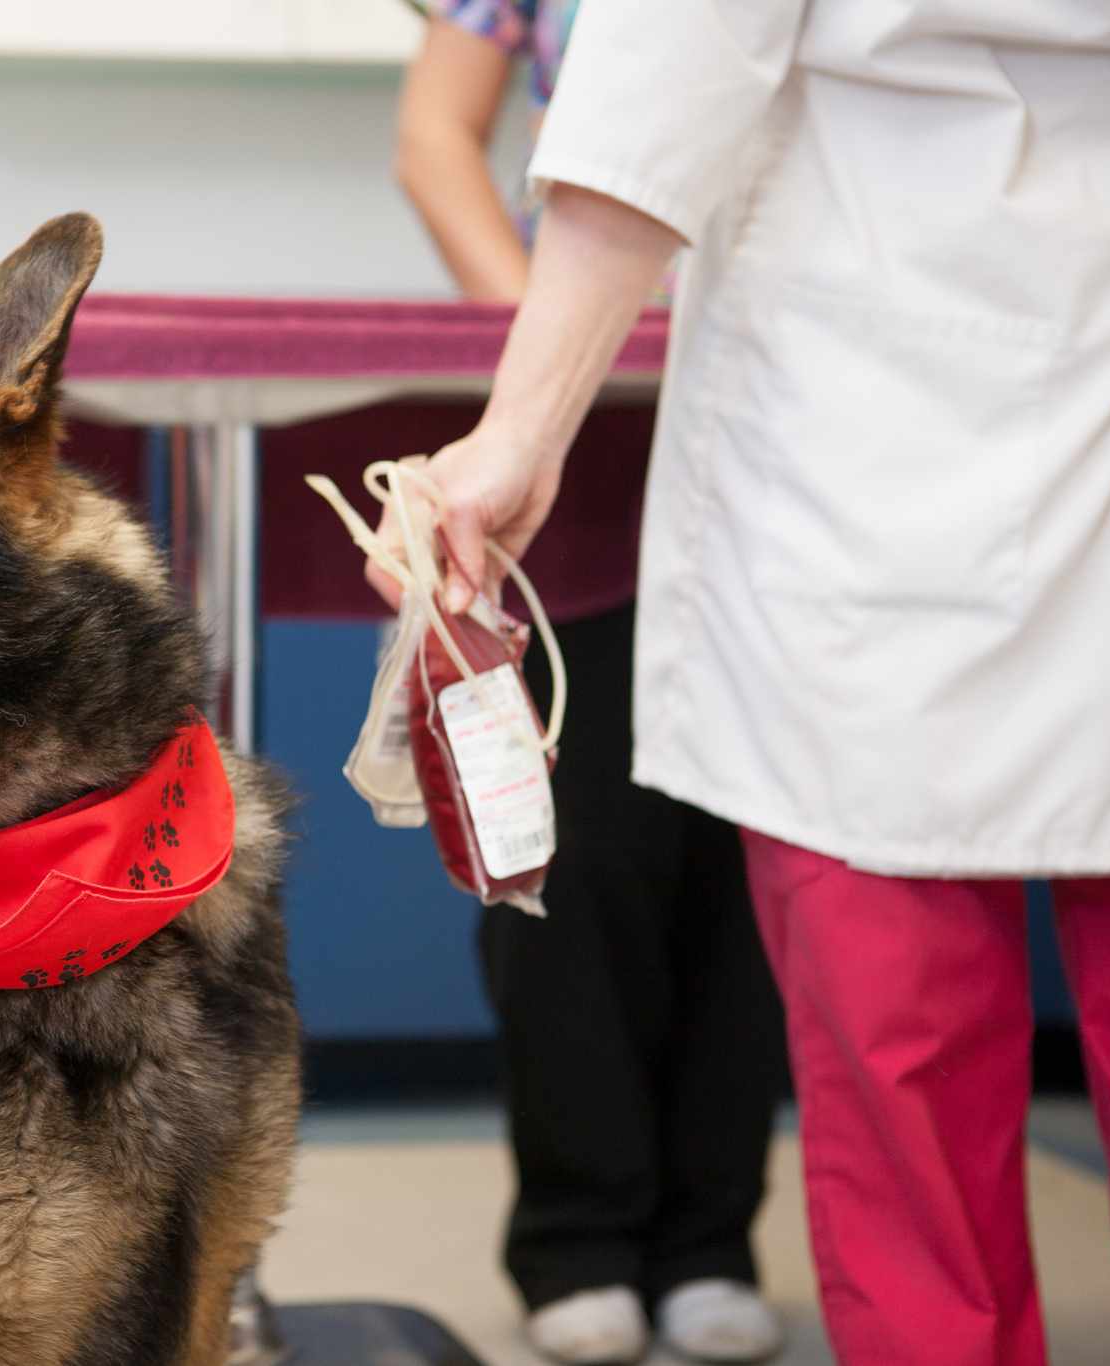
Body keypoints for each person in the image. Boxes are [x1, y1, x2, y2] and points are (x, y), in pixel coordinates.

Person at [377, 1, 1110, 1363]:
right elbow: (648, 85)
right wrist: (525, 426)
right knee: (884, 1024)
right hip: (887, 409)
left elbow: (667, 70)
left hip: (933, 417)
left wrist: (523, 425)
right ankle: (618, 1234)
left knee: (915, 1074)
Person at [383, 6, 785, 1363]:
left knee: (760, 850)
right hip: (590, 428)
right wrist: (553, 363)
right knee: (565, 834)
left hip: (798, 421)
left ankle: (711, 1233)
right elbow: (435, 134)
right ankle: (578, 1231)